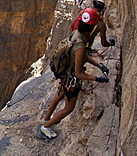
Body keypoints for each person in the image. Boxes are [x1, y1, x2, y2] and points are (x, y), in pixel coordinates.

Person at [41, 8, 110, 139]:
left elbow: (83, 56)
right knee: (69, 108)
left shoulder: (76, 34)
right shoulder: (81, 44)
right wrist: (97, 78)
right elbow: (79, 73)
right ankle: (46, 127)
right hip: (71, 79)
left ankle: (46, 119)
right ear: (91, 27)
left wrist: (99, 65)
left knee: (58, 96)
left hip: (64, 74)